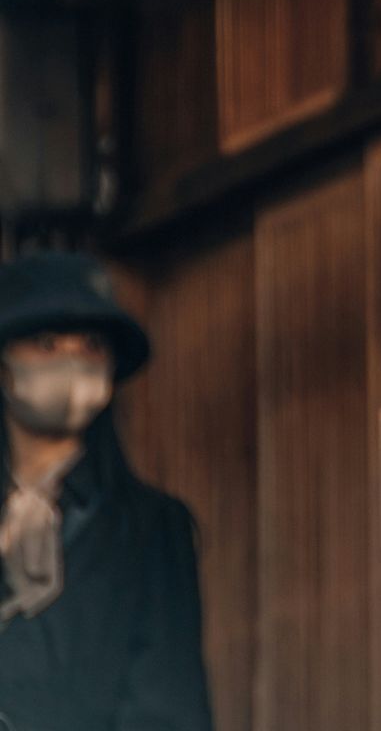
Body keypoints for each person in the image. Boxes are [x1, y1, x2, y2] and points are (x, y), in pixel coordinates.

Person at [0, 251, 212, 731]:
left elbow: (169, 706)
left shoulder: (152, 528)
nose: (72, 361)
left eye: (93, 346)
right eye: (47, 343)